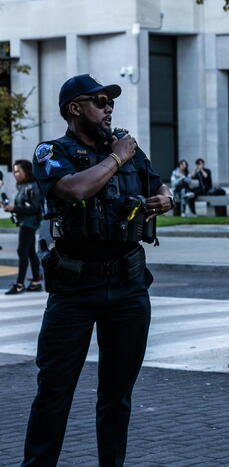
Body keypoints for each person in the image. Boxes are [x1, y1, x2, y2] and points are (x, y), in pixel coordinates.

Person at [22, 73, 173, 466]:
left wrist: (164, 199)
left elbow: (160, 186)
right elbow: (73, 189)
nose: (109, 109)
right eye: (100, 101)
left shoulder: (127, 149)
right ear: (75, 109)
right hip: (75, 288)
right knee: (54, 392)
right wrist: (117, 156)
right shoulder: (52, 152)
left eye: (111, 102)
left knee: (117, 395)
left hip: (128, 284)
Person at [3, 159, 43, 295]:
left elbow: (36, 208)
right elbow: (24, 206)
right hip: (25, 222)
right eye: (14, 172)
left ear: (26, 171)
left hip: (30, 223)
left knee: (22, 251)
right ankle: (36, 282)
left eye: (18, 171)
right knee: (30, 252)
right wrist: (12, 208)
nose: (15, 174)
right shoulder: (23, 186)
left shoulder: (33, 186)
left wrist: (14, 207)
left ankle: (20, 284)